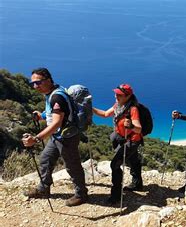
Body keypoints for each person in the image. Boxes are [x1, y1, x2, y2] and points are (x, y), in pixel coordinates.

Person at [22, 67, 88, 206]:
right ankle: (43, 189)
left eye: (38, 82)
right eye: (32, 83)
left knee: (72, 166)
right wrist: (42, 116)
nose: (35, 86)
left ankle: (81, 194)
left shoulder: (56, 97)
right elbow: (54, 114)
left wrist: (36, 139)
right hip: (58, 136)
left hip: (67, 137)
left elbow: (57, 122)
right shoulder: (53, 92)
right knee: (45, 159)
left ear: (48, 80)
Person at [92, 84, 143, 204]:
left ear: (128, 96)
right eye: (116, 93)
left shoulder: (133, 109)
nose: (116, 96)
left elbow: (139, 129)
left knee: (114, 165)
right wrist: (90, 108)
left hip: (132, 140)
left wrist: (130, 125)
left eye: (119, 95)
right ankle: (137, 184)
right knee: (134, 161)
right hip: (122, 138)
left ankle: (116, 194)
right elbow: (105, 114)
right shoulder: (117, 105)